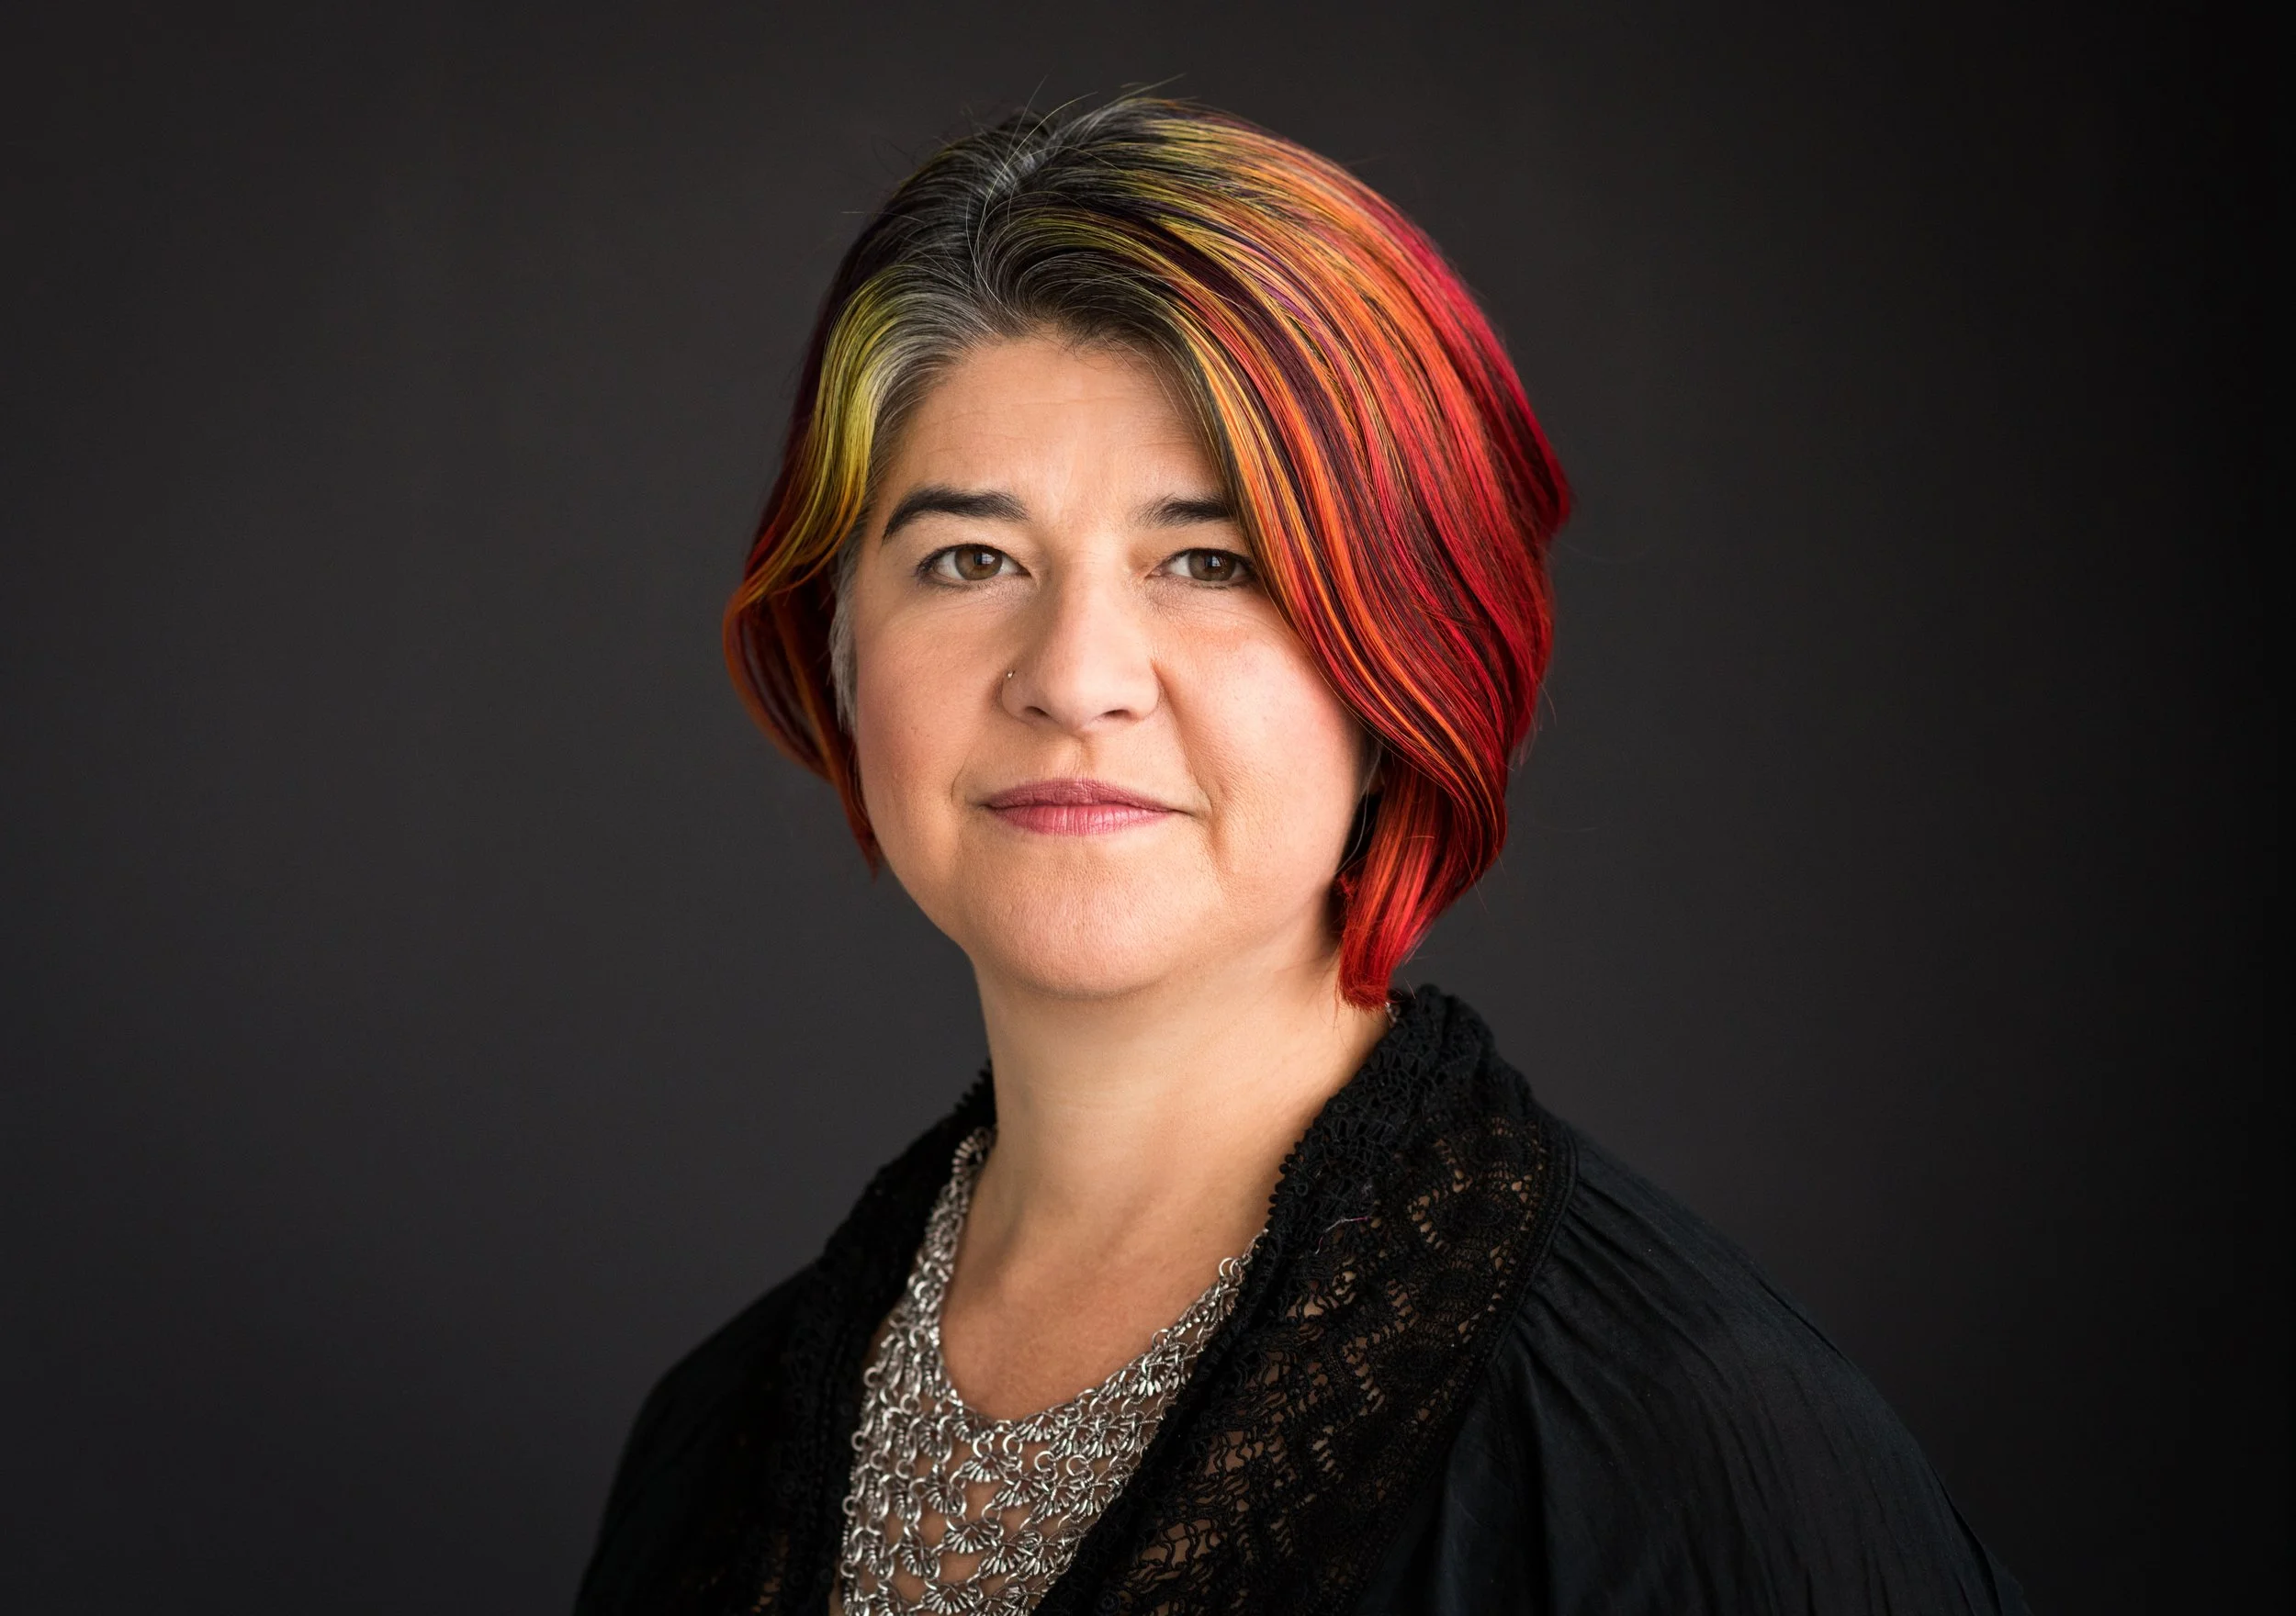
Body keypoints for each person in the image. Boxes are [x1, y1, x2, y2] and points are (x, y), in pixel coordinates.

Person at [575, 97, 2028, 1616]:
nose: (1075, 678)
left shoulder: (1688, 1442)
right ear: (843, 640)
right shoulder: (714, 1438)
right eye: (972, 560)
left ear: (1405, 657)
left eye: (1211, 562)